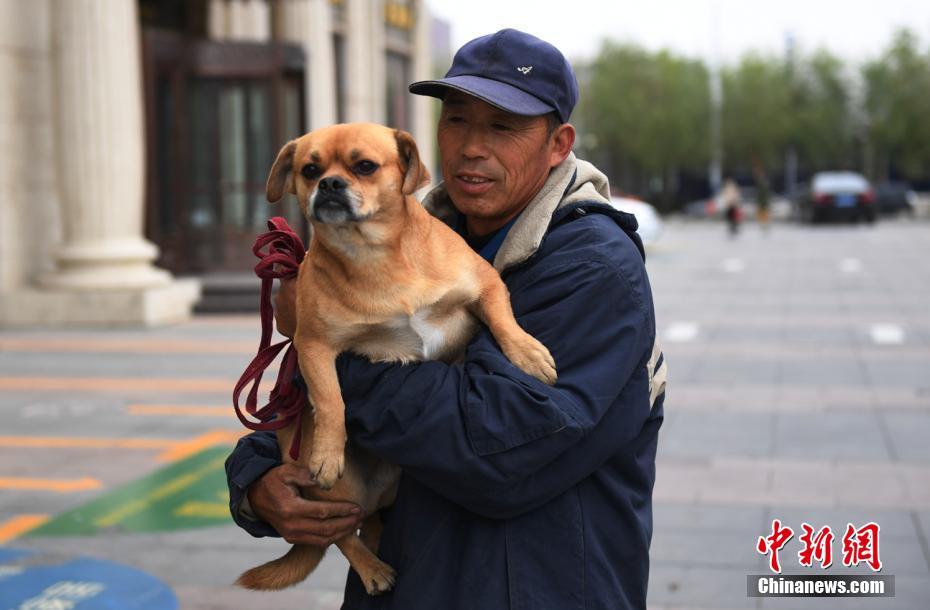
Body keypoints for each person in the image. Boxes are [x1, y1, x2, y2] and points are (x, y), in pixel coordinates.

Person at [226, 29, 666, 610]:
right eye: (456, 120)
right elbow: (299, 406)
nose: (471, 147)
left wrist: (325, 342)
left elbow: (494, 449)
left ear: (559, 145)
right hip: (403, 582)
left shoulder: (593, 267)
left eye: (502, 127)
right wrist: (256, 483)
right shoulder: (403, 233)